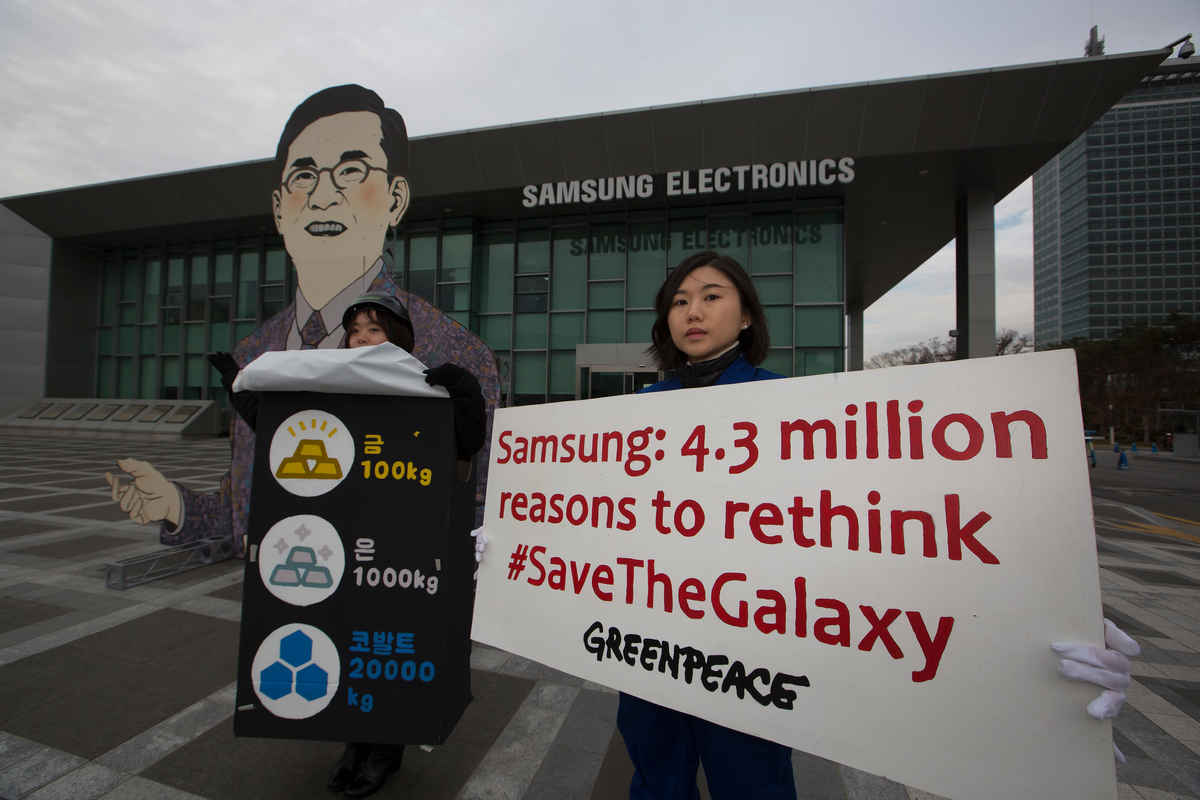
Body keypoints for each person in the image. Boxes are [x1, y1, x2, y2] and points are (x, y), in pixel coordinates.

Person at [611, 250, 1140, 799]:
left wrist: (1041, 613)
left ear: (746, 317)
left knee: (750, 780)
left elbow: (886, 518)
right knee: (655, 776)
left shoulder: (797, 408)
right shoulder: (633, 413)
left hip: (751, 637)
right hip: (649, 632)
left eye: (711, 296)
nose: (692, 311)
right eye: (679, 301)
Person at [104, 85, 499, 552]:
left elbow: (476, 502)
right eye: (304, 176)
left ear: (395, 198)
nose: (324, 195)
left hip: (394, 571)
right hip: (298, 588)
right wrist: (175, 505)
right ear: (278, 208)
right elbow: (248, 504)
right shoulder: (257, 356)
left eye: (351, 171)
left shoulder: (453, 354)